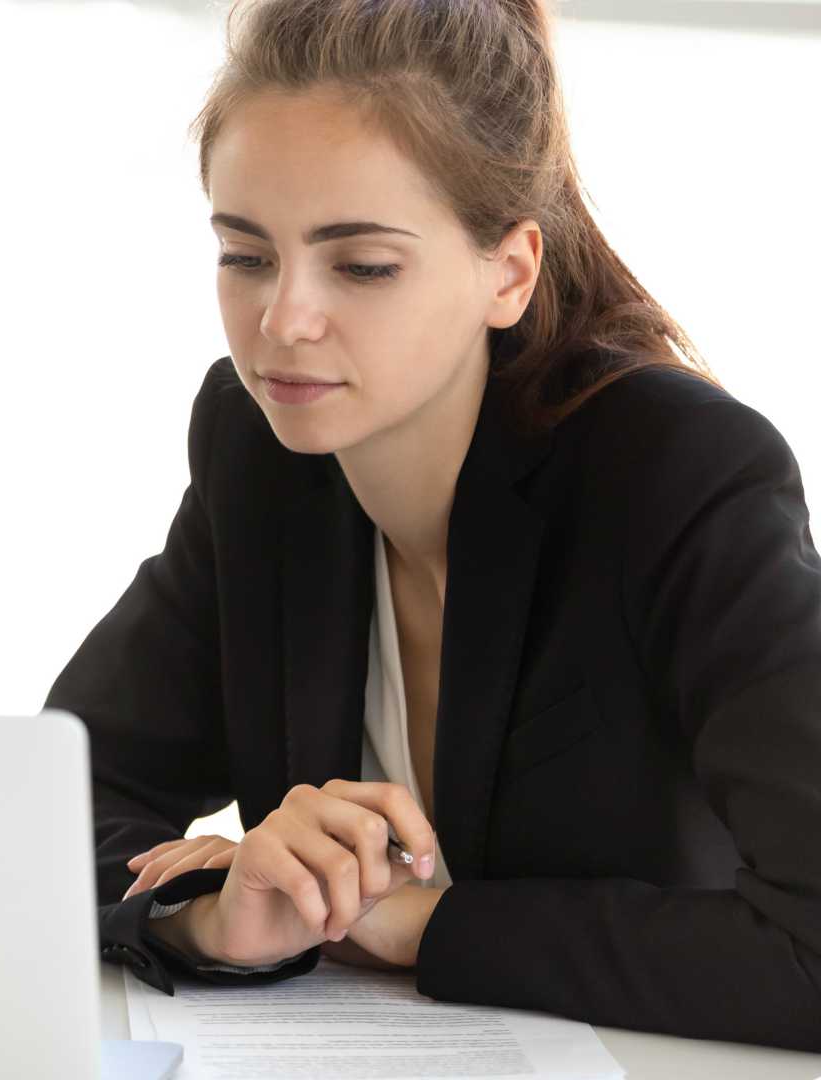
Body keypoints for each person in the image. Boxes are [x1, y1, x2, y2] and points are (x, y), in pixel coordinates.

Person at [48, 0, 821, 1052]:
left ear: (508, 270)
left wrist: (421, 924)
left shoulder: (678, 474)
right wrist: (218, 913)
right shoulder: (260, 449)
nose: (283, 321)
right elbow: (52, 811)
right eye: (246, 255)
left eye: (361, 265)